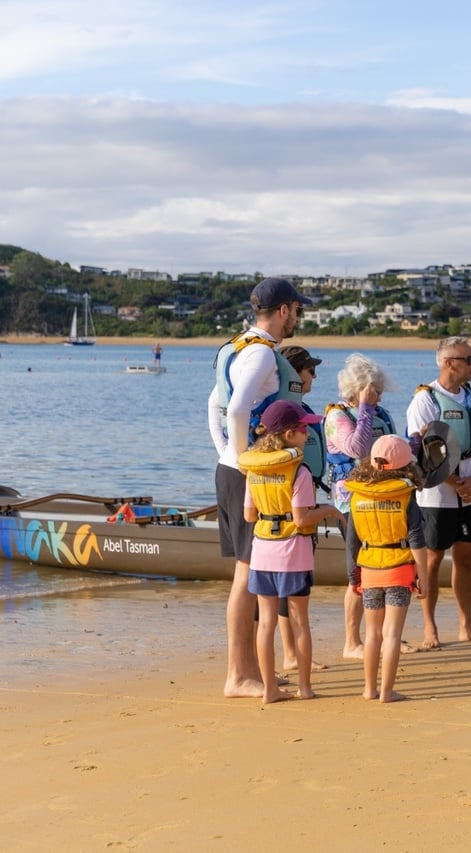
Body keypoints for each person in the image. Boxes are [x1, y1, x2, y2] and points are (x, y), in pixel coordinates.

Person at [207, 276, 311, 698]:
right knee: (247, 574)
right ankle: (239, 675)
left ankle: (249, 668)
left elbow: (212, 405)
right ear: (284, 310)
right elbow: (234, 407)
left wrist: (228, 453)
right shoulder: (263, 355)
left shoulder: (236, 348)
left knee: (247, 573)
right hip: (246, 475)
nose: (298, 318)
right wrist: (247, 461)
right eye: (297, 310)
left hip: (231, 469)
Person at [238, 400, 345, 703]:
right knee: (299, 620)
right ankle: (305, 687)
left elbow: (248, 515)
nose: (309, 433)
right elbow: (300, 519)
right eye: (303, 428)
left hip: (262, 550)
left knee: (267, 621)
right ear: (287, 435)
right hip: (293, 551)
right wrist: (327, 510)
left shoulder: (255, 469)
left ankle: (270, 690)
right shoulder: (299, 471)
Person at [406, 335, 471, 650]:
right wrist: (455, 483)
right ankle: (430, 628)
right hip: (437, 492)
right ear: (449, 363)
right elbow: (423, 453)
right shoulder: (425, 400)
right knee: (432, 559)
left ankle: (466, 625)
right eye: (469, 360)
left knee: (466, 556)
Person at [324, 353, 399, 659]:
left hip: (383, 500)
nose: (378, 397)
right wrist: (365, 408)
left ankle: (384, 637)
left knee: (387, 568)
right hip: (351, 503)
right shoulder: (337, 417)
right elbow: (357, 447)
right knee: (359, 569)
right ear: (357, 390)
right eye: (373, 391)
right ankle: (352, 642)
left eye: (379, 392)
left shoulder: (382, 414)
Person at [345, 435, 427, 702]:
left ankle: (369, 689)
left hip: (369, 569)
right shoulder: (405, 495)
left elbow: (351, 543)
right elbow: (417, 539)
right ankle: (387, 691)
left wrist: (352, 576)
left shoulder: (356, 495)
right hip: (399, 569)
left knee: (372, 634)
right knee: (392, 634)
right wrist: (422, 576)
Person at [276, 345, 328, 675]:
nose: (315, 376)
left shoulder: (303, 409)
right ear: (294, 373)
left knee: (294, 584)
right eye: (310, 370)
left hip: (306, 501)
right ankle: (290, 654)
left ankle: (293, 653)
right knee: (288, 586)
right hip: (289, 512)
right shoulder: (283, 414)